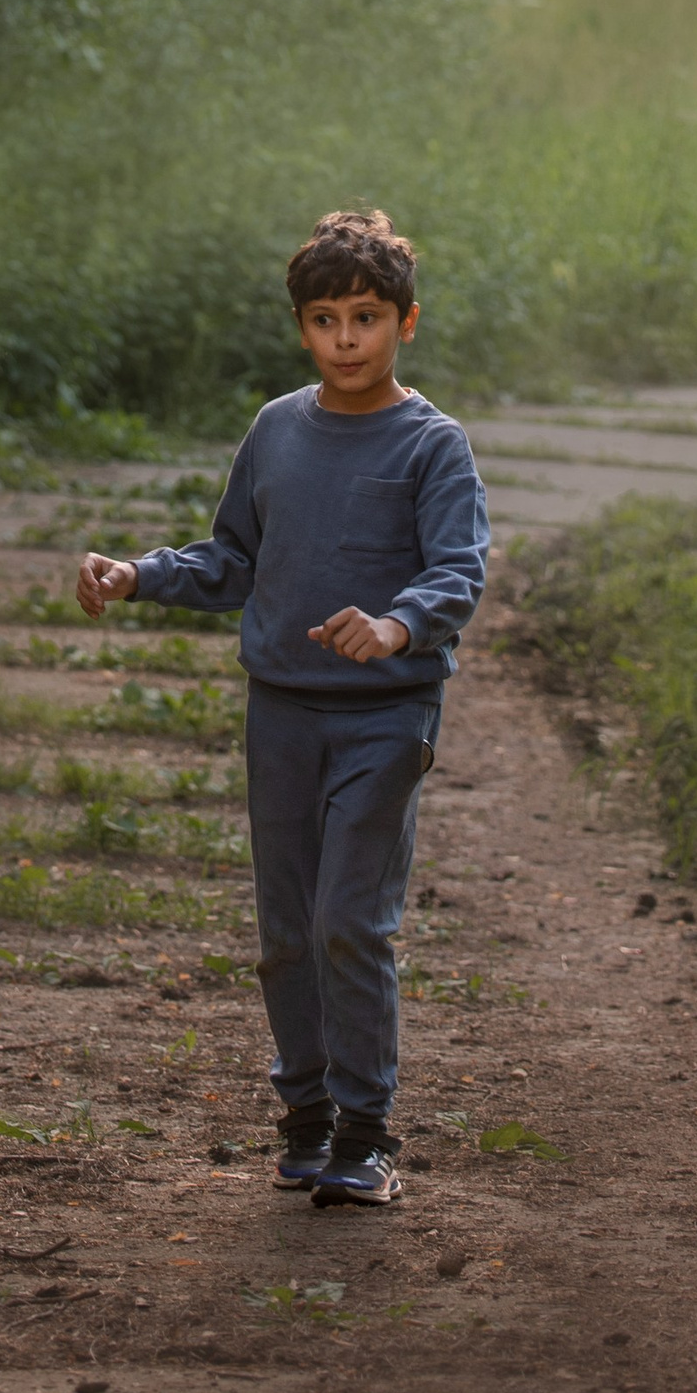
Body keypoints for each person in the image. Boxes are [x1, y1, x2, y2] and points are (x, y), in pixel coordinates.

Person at [76, 208, 488, 1209]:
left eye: (365, 316)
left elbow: (459, 568)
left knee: (350, 918)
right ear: (300, 327)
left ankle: (366, 1128)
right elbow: (233, 557)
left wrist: (395, 625)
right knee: (284, 930)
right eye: (324, 318)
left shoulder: (433, 444)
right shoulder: (276, 429)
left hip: (386, 717)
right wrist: (137, 573)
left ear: (406, 322)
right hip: (282, 715)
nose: (346, 338)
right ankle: (302, 1114)